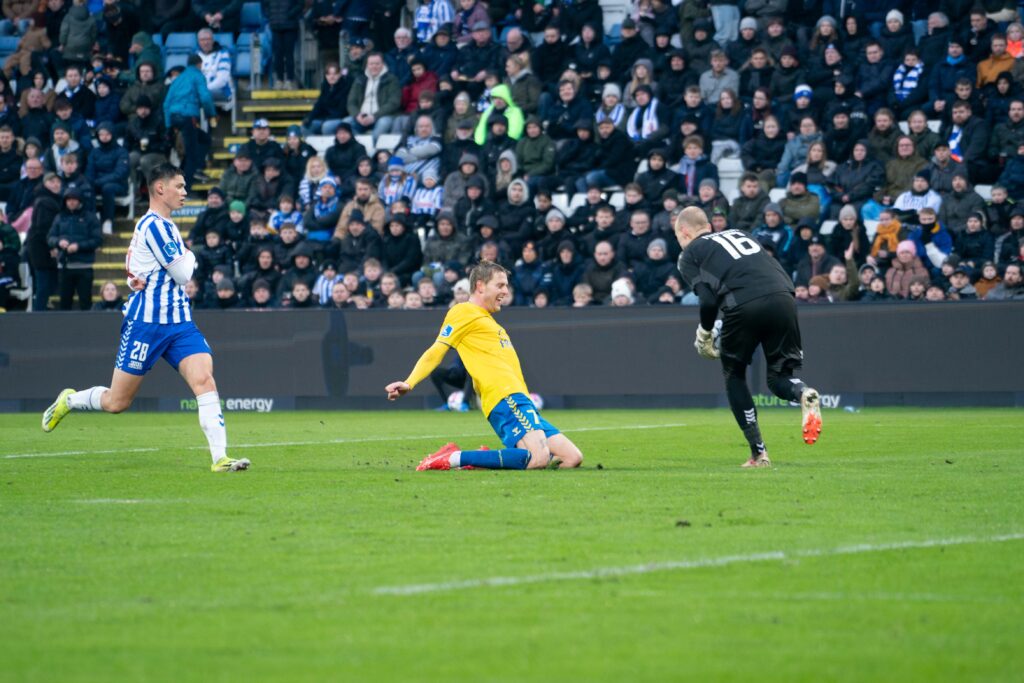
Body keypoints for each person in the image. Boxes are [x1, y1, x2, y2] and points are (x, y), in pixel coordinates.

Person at [40, 163, 250, 474]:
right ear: (160, 188)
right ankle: (69, 401)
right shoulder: (154, 226)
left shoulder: (165, 226)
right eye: (179, 186)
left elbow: (132, 265)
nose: (185, 192)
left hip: (179, 322)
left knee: (205, 380)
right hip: (145, 325)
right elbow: (182, 272)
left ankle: (220, 458)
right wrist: (192, 253)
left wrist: (134, 279)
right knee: (117, 402)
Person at [385, 260, 584, 471]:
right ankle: (454, 458)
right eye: (500, 285)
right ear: (480, 286)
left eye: (506, 286)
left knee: (572, 458)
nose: (505, 291)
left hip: (521, 399)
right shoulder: (463, 312)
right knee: (538, 459)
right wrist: (409, 382)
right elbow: (436, 351)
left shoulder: (488, 320)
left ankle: (483, 460)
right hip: (505, 398)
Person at [674, 206, 822, 468]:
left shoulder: (690, 253)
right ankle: (803, 392)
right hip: (783, 296)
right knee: (780, 379)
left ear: (684, 231)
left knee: (734, 374)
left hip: (743, 303)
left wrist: (706, 332)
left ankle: (759, 453)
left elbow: (708, 301)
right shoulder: (741, 233)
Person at [163, 54, 216, 190]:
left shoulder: (178, 78)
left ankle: (191, 170)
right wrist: (211, 114)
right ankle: (184, 190)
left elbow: (166, 104)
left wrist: (169, 126)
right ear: (199, 64)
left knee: (204, 140)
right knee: (191, 155)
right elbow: (205, 97)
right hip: (188, 117)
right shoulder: (197, 76)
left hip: (175, 118)